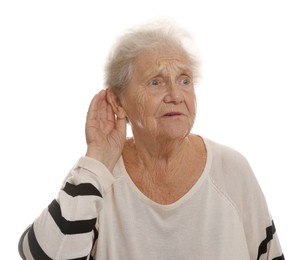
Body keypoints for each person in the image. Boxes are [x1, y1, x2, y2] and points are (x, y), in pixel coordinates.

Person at [18, 21, 284, 260]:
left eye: (184, 80)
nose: (175, 95)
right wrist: (97, 159)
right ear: (119, 102)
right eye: (156, 82)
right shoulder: (98, 177)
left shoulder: (232, 170)